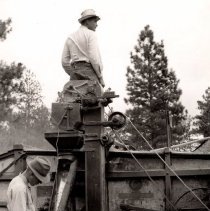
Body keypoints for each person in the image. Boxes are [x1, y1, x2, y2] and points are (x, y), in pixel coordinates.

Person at [61, 9, 105, 87]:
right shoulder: (91, 34)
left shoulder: (70, 38)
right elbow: (94, 58)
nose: (96, 24)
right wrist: (100, 77)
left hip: (75, 74)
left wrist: (73, 73)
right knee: (97, 96)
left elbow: (64, 62)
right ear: (87, 21)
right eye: (95, 21)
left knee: (74, 97)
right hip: (89, 72)